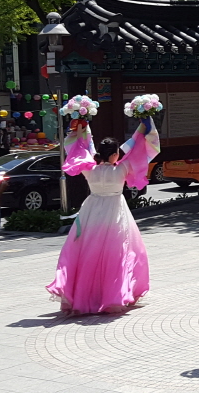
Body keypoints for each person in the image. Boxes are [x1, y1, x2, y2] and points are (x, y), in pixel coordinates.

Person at [45, 118, 159, 315]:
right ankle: (112, 295)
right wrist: (142, 128)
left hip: (92, 210)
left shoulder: (90, 169)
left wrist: (83, 129)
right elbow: (134, 151)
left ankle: (84, 295)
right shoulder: (122, 168)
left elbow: (85, 148)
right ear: (115, 154)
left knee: (87, 252)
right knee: (117, 253)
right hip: (115, 211)